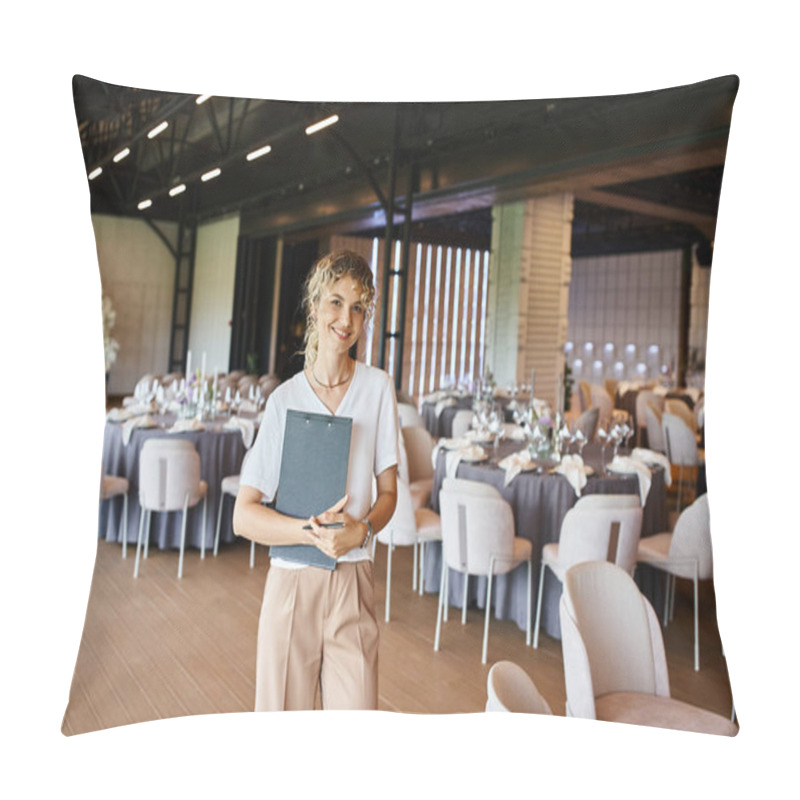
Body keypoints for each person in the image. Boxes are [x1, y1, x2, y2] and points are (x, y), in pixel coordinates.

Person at [233, 249, 398, 711]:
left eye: (359, 307)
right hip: (291, 588)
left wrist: (361, 530)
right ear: (314, 307)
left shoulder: (378, 388)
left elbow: (388, 492)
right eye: (336, 302)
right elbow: (243, 515)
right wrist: (306, 531)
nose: (346, 318)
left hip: (354, 580)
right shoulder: (284, 402)